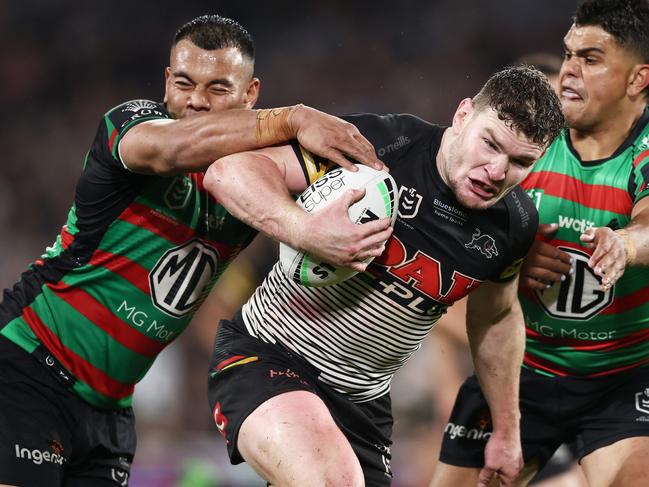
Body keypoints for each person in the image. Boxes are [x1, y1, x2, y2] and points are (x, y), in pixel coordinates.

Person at [0, 14, 393, 487]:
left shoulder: (253, 182)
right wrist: (294, 117)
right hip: (26, 364)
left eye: (218, 89)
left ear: (250, 96)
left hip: (111, 411)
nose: (197, 101)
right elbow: (179, 147)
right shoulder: (132, 129)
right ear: (167, 81)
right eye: (184, 83)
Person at [204, 65, 564, 487]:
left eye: (521, 162)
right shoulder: (380, 146)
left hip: (363, 404)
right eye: (489, 144)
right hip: (267, 358)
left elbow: (496, 319)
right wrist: (306, 230)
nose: (497, 171)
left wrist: (506, 430)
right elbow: (228, 174)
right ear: (463, 115)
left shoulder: (514, 225)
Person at [431, 1, 649, 486]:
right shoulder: (527, 142)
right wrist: (511, 261)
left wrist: (626, 245)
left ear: (638, 80)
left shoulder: (645, 149)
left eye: (590, 59)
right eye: (568, 54)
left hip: (624, 375)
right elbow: (457, 238)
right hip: (520, 372)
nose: (569, 70)